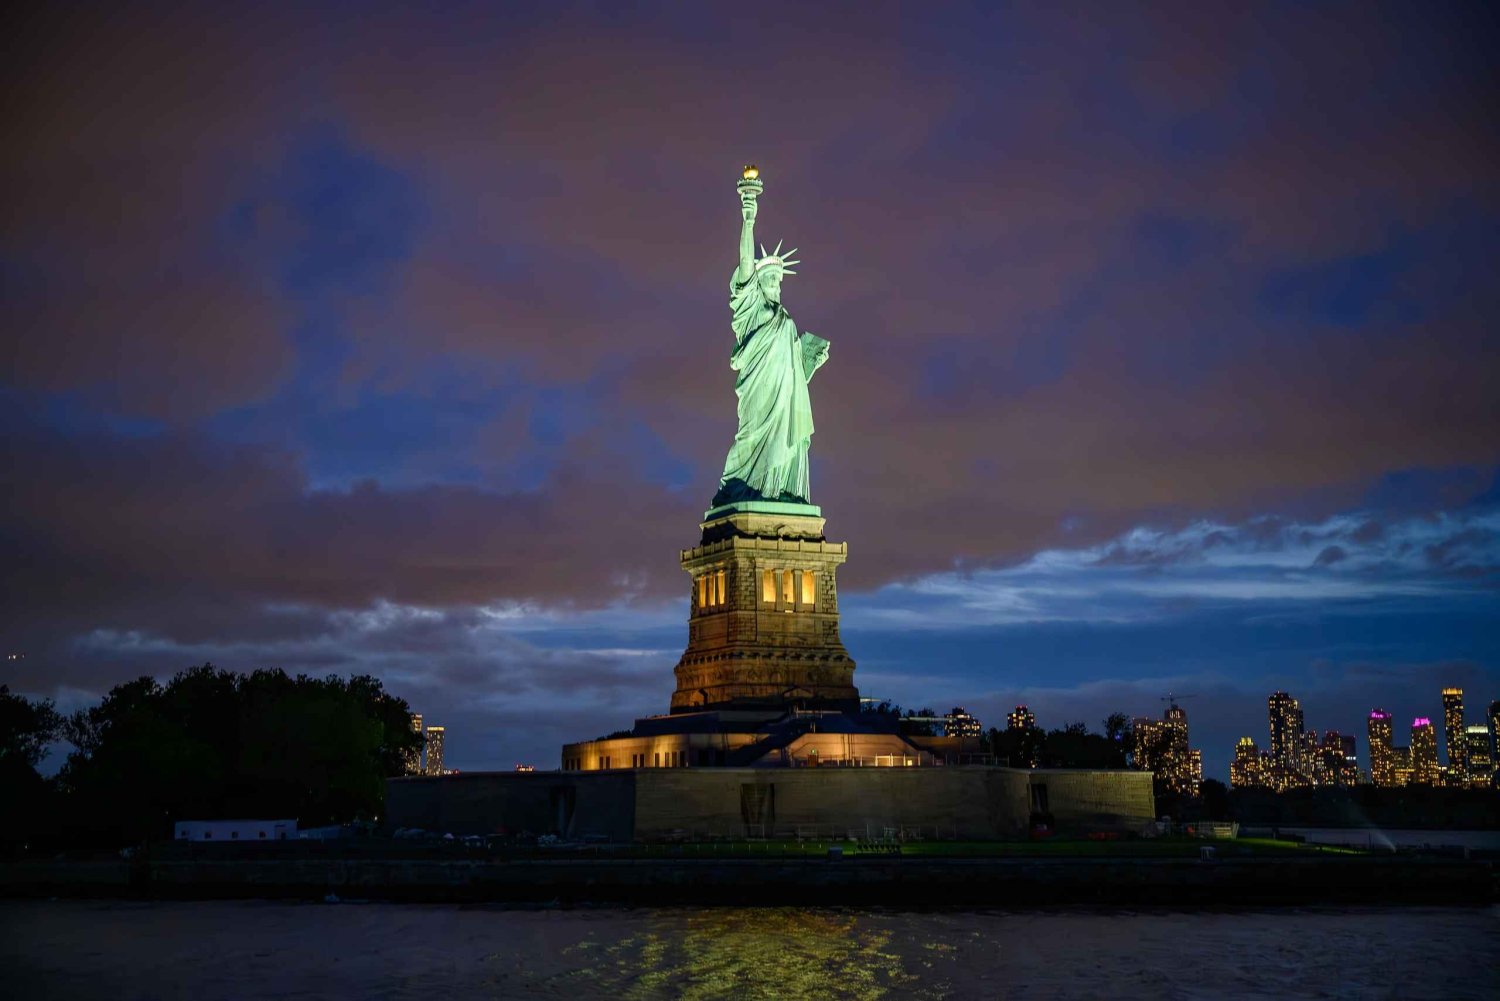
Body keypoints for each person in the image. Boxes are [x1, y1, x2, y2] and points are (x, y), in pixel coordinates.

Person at [713, 179, 829, 507]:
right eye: (769, 279)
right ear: (758, 284)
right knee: (748, 439)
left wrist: (809, 362)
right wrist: (748, 219)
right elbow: (746, 265)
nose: (776, 284)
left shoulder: (785, 320)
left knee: (787, 445)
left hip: (783, 400)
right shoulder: (750, 309)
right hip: (758, 394)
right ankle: (740, 486)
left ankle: (778, 491)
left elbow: (791, 378)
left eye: (779, 280)